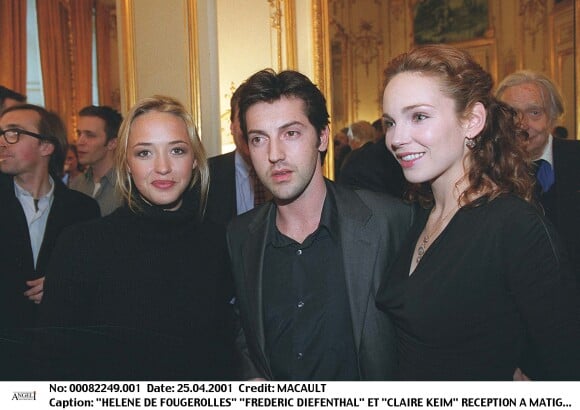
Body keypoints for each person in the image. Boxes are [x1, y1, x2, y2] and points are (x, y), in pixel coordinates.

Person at [376, 44, 580, 380]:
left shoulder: (514, 226)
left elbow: (567, 365)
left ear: (472, 120)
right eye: (390, 122)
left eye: (419, 117)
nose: (397, 138)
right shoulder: (418, 215)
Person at [227, 68, 414, 381]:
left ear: (323, 136)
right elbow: (246, 334)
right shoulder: (240, 236)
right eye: (259, 139)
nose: (275, 154)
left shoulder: (389, 221)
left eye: (291, 133)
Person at [37, 96, 237, 380]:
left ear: (195, 160)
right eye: (144, 153)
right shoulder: (81, 245)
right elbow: (54, 362)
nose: (163, 167)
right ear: (127, 163)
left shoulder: (222, 242)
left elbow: (226, 353)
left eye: (177, 150)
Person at [0, 104, 100, 329]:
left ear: (46, 146)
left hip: (58, 343)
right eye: (1, 133)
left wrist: (64, 284)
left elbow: (95, 276)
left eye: (13, 133)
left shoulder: (83, 209)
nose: (2, 141)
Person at [496, 70, 580, 281]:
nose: (522, 124)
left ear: (553, 118)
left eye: (534, 113)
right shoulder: (486, 172)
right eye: (513, 114)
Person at [206, 82, 269, 226]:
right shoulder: (206, 176)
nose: (251, 129)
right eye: (244, 119)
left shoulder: (287, 170)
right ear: (231, 126)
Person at [70, 105, 123, 215]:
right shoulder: (76, 185)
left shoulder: (127, 188)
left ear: (112, 143)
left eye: (90, 135)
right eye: (79, 134)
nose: (79, 142)